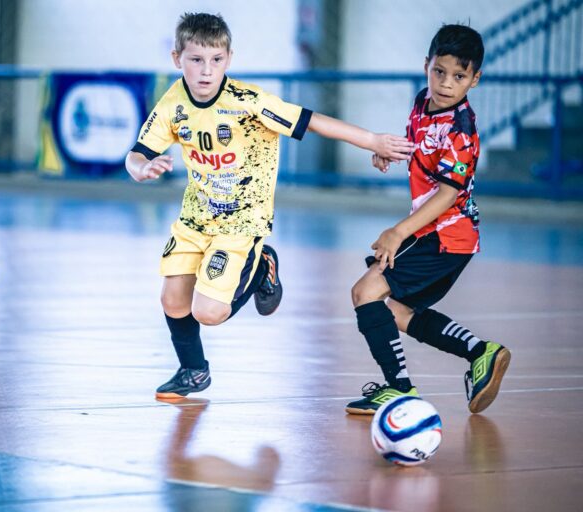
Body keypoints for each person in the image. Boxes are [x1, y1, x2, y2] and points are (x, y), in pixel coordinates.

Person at [125, 12, 413, 399]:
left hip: (241, 222)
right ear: (178, 59)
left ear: (228, 59)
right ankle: (193, 370)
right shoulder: (173, 102)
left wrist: (373, 141)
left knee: (208, 312)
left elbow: (311, 121)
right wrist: (141, 169)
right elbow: (136, 154)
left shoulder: (247, 101)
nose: (206, 70)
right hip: (194, 219)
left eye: (216, 60)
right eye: (196, 60)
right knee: (172, 300)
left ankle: (262, 266)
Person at [346, 24, 510, 415]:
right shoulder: (423, 101)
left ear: (475, 79)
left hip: (444, 234)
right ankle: (481, 352)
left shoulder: (461, 131)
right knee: (396, 312)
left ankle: (399, 390)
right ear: (426, 66)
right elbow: (419, 143)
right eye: (440, 71)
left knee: (365, 292)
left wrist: (397, 232)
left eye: (459, 76)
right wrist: (390, 152)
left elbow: (448, 194)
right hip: (437, 234)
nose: (446, 84)